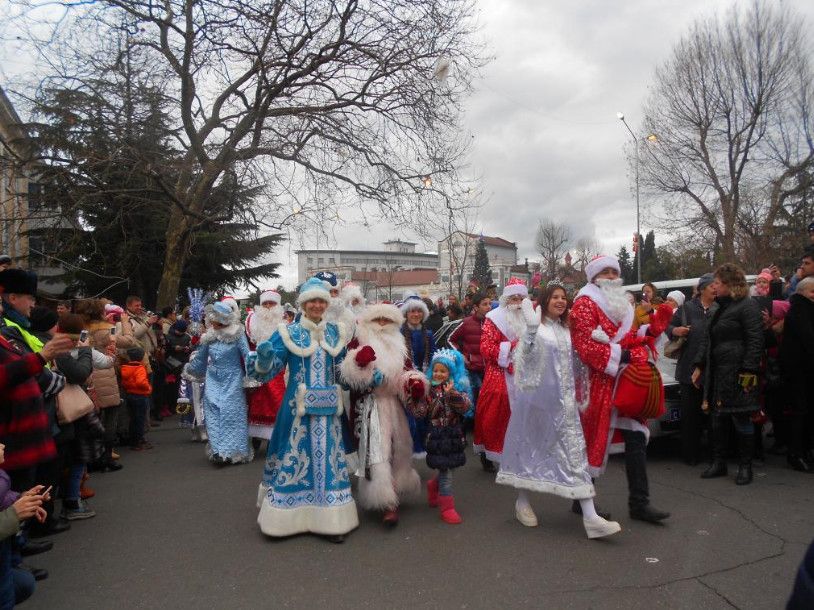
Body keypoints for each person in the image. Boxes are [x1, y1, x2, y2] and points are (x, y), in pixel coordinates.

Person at [499, 282, 622, 539]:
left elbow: (578, 360)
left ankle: (591, 518)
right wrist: (531, 333)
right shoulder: (536, 328)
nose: (560, 301)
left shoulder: (567, 329)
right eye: (554, 296)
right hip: (537, 405)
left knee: (575, 457)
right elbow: (525, 362)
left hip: (565, 406)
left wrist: (599, 338)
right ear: (544, 300)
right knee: (529, 453)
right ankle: (522, 501)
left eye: (564, 297)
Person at [247, 277, 357, 542]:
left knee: (328, 459)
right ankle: (285, 519)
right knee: (293, 455)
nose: (317, 305)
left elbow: (342, 372)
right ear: (304, 304)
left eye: (321, 300)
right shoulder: (288, 332)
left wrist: (360, 369)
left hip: (328, 410)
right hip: (296, 409)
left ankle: (330, 520)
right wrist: (263, 358)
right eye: (312, 301)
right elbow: (268, 371)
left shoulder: (335, 332)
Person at [569, 255, 673, 523]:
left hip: (625, 382)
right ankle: (582, 501)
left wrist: (649, 332)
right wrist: (621, 356)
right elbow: (584, 345)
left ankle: (640, 503)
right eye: (605, 272)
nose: (612, 278)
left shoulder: (622, 305)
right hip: (597, 383)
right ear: (593, 276)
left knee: (636, 438)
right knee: (593, 441)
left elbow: (628, 335)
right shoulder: (583, 303)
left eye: (614, 273)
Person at [340, 303, 427, 526]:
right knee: (376, 452)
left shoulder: (400, 344)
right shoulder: (358, 340)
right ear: (368, 320)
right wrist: (361, 366)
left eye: (386, 320)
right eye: (377, 319)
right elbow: (346, 375)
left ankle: (395, 490)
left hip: (394, 405)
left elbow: (406, 371)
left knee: (399, 449)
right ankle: (386, 502)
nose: (381, 324)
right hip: (370, 405)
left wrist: (413, 382)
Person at [693, 264, 764, 486]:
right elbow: (708, 338)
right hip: (718, 370)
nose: (714, 287)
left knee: (741, 416)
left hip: (739, 370)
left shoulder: (747, 306)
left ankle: (745, 466)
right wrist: (699, 365)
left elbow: (755, 339)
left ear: (730, 284)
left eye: (717, 283)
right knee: (717, 418)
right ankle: (719, 462)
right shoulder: (718, 307)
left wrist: (749, 369)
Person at [184, 301, 253, 465]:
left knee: (231, 414)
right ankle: (217, 451)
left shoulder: (237, 333)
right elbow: (201, 357)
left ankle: (233, 451)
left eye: (213, 319)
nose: (210, 321)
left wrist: (254, 372)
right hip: (213, 378)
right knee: (212, 413)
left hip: (233, 378)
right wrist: (191, 369)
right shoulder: (210, 336)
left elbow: (247, 355)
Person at [473, 278, 528, 472]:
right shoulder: (493, 318)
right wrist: (511, 349)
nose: (517, 301)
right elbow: (486, 347)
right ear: (506, 298)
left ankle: (519, 454)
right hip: (499, 372)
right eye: (513, 297)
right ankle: (490, 453)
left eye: (521, 297)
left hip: (524, 373)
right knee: (493, 414)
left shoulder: (530, 318)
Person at [414, 348, 471, 524]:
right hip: (437, 435)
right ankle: (447, 508)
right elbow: (420, 413)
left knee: (449, 467)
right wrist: (415, 398)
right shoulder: (428, 390)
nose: (439, 374)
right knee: (446, 473)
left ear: (450, 372)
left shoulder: (458, 387)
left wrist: (451, 394)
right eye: (436, 370)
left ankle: (433, 485)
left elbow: (466, 408)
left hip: (454, 434)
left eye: (443, 371)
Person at [668, 274, 717, 465]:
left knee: (714, 415)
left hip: (712, 369)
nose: (715, 288)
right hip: (688, 369)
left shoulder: (720, 307)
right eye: (712, 285)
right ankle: (691, 455)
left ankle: (715, 455)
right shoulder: (686, 308)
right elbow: (668, 326)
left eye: (717, 285)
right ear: (703, 289)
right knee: (690, 415)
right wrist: (675, 331)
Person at [74, 299, 128, 472]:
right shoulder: (108, 330)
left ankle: (91, 458)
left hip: (86, 376)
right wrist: (124, 323)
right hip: (106, 376)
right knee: (110, 417)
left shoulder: (80, 331)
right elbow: (128, 341)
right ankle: (106, 457)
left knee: (91, 419)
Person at [778, 277, 814, 472]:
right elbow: (808, 340)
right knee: (800, 411)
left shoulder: (801, 309)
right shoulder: (800, 310)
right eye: (812, 292)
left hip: (802, 369)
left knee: (804, 411)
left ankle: (803, 450)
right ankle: (796, 453)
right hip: (799, 370)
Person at [244, 290, 286, 449]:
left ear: (278, 306)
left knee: (277, 402)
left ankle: (272, 438)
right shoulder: (251, 324)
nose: (268, 307)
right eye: (265, 304)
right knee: (257, 403)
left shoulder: (284, 326)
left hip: (277, 370)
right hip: (257, 371)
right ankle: (256, 437)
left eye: (272, 303)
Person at [400, 295, 437, 456]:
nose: (415, 315)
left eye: (418, 311)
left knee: (422, 416)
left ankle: (420, 448)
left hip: (424, 381)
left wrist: (429, 377)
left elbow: (433, 357)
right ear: (406, 314)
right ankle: (405, 452)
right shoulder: (399, 333)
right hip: (404, 382)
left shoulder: (428, 334)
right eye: (412, 311)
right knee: (407, 419)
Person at [448, 291, 491, 426]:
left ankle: (484, 424)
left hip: (489, 368)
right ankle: (472, 426)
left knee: (487, 399)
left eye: (490, 304)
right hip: (472, 368)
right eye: (485, 304)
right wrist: (461, 355)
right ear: (476, 307)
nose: (489, 307)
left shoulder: (493, 323)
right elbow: (450, 339)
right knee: (474, 397)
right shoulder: (466, 323)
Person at [121, 347, 153, 451]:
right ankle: (139, 441)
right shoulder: (140, 368)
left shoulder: (125, 368)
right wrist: (148, 387)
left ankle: (133, 440)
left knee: (133, 419)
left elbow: (124, 383)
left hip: (130, 394)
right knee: (140, 420)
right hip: (140, 395)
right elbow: (140, 382)